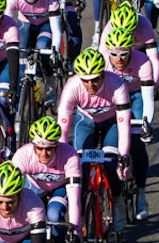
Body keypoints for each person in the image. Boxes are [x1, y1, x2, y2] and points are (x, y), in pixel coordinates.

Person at [57, 49, 133, 230]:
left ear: (103, 75)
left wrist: (123, 156)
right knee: (79, 167)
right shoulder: (72, 86)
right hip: (86, 123)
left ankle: (117, 200)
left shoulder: (116, 84)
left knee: (109, 162)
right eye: (86, 80)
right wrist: (61, 153)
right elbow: (63, 126)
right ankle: (81, 216)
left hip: (112, 123)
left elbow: (124, 126)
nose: (90, 85)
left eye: (95, 79)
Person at [11, 115, 81, 243]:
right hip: (34, 188)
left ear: (57, 145)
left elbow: (74, 195)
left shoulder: (69, 155)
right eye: (39, 148)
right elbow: (11, 192)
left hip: (59, 188)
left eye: (49, 149)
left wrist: (75, 228)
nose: (44, 153)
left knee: (54, 215)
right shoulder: (22, 155)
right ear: (32, 145)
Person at [103, 28, 156, 220]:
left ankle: (141, 194)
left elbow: (149, 98)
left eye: (124, 54)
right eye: (114, 54)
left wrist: (147, 124)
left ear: (131, 51)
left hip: (135, 97)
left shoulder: (142, 62)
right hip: (112, 100)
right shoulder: (103, 60)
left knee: (136, 143)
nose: (119, 59)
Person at [5, 0, 65, 65]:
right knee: (21, 52)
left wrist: (56, 51)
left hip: (46, 25)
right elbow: (6, 23)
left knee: (42, 45)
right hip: (25, 24)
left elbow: (56, 29)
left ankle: (48, 77)